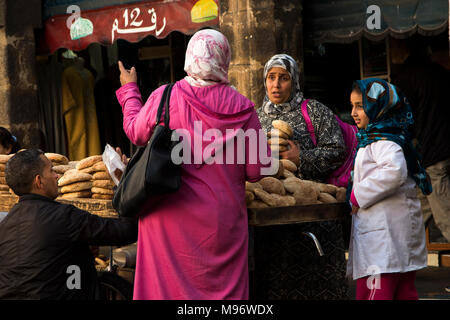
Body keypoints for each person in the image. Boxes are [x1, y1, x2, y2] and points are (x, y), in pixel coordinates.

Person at [116, 29, 270, 300]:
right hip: (221, 227)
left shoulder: (165, 96)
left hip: (168, 220)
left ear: (190, 57)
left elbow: (134, 131)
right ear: (224, 59)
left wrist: (130, 89)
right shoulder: (245, 109)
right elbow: (258, 171)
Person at [254, 54, 349, 299]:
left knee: (319, 288)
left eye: (283, 78)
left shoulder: (315, 111)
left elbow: (337, 150)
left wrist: (301, 158)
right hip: (271, 223)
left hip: (316, 220)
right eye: (271, 78)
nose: (276, 85)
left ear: (294, 80)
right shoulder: (255, 117)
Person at [0, 149, 138, 299]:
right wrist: (123, 184)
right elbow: (126, 231)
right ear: (39, 181)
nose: (57, 175)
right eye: (51, 170)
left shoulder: (5, 224)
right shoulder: (64, 216)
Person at [347, 78, 430, 300]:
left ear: (380, 107)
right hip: (391, 238)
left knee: (377, 292)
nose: (354, 112)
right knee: (403, 292)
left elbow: (394, 172)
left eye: (360, 106)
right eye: (352, 106)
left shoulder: (384, 142)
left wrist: (357, 195)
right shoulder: (377, 138)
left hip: (384, 241)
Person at [390, 38, 450, 245]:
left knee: (445, 218)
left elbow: (400, 120)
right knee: (414, 215)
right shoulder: (440, 73)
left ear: (403, 48)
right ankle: (398, 261)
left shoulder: (406, 78)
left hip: (433, 156)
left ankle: (398, 259)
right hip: (436, 155)